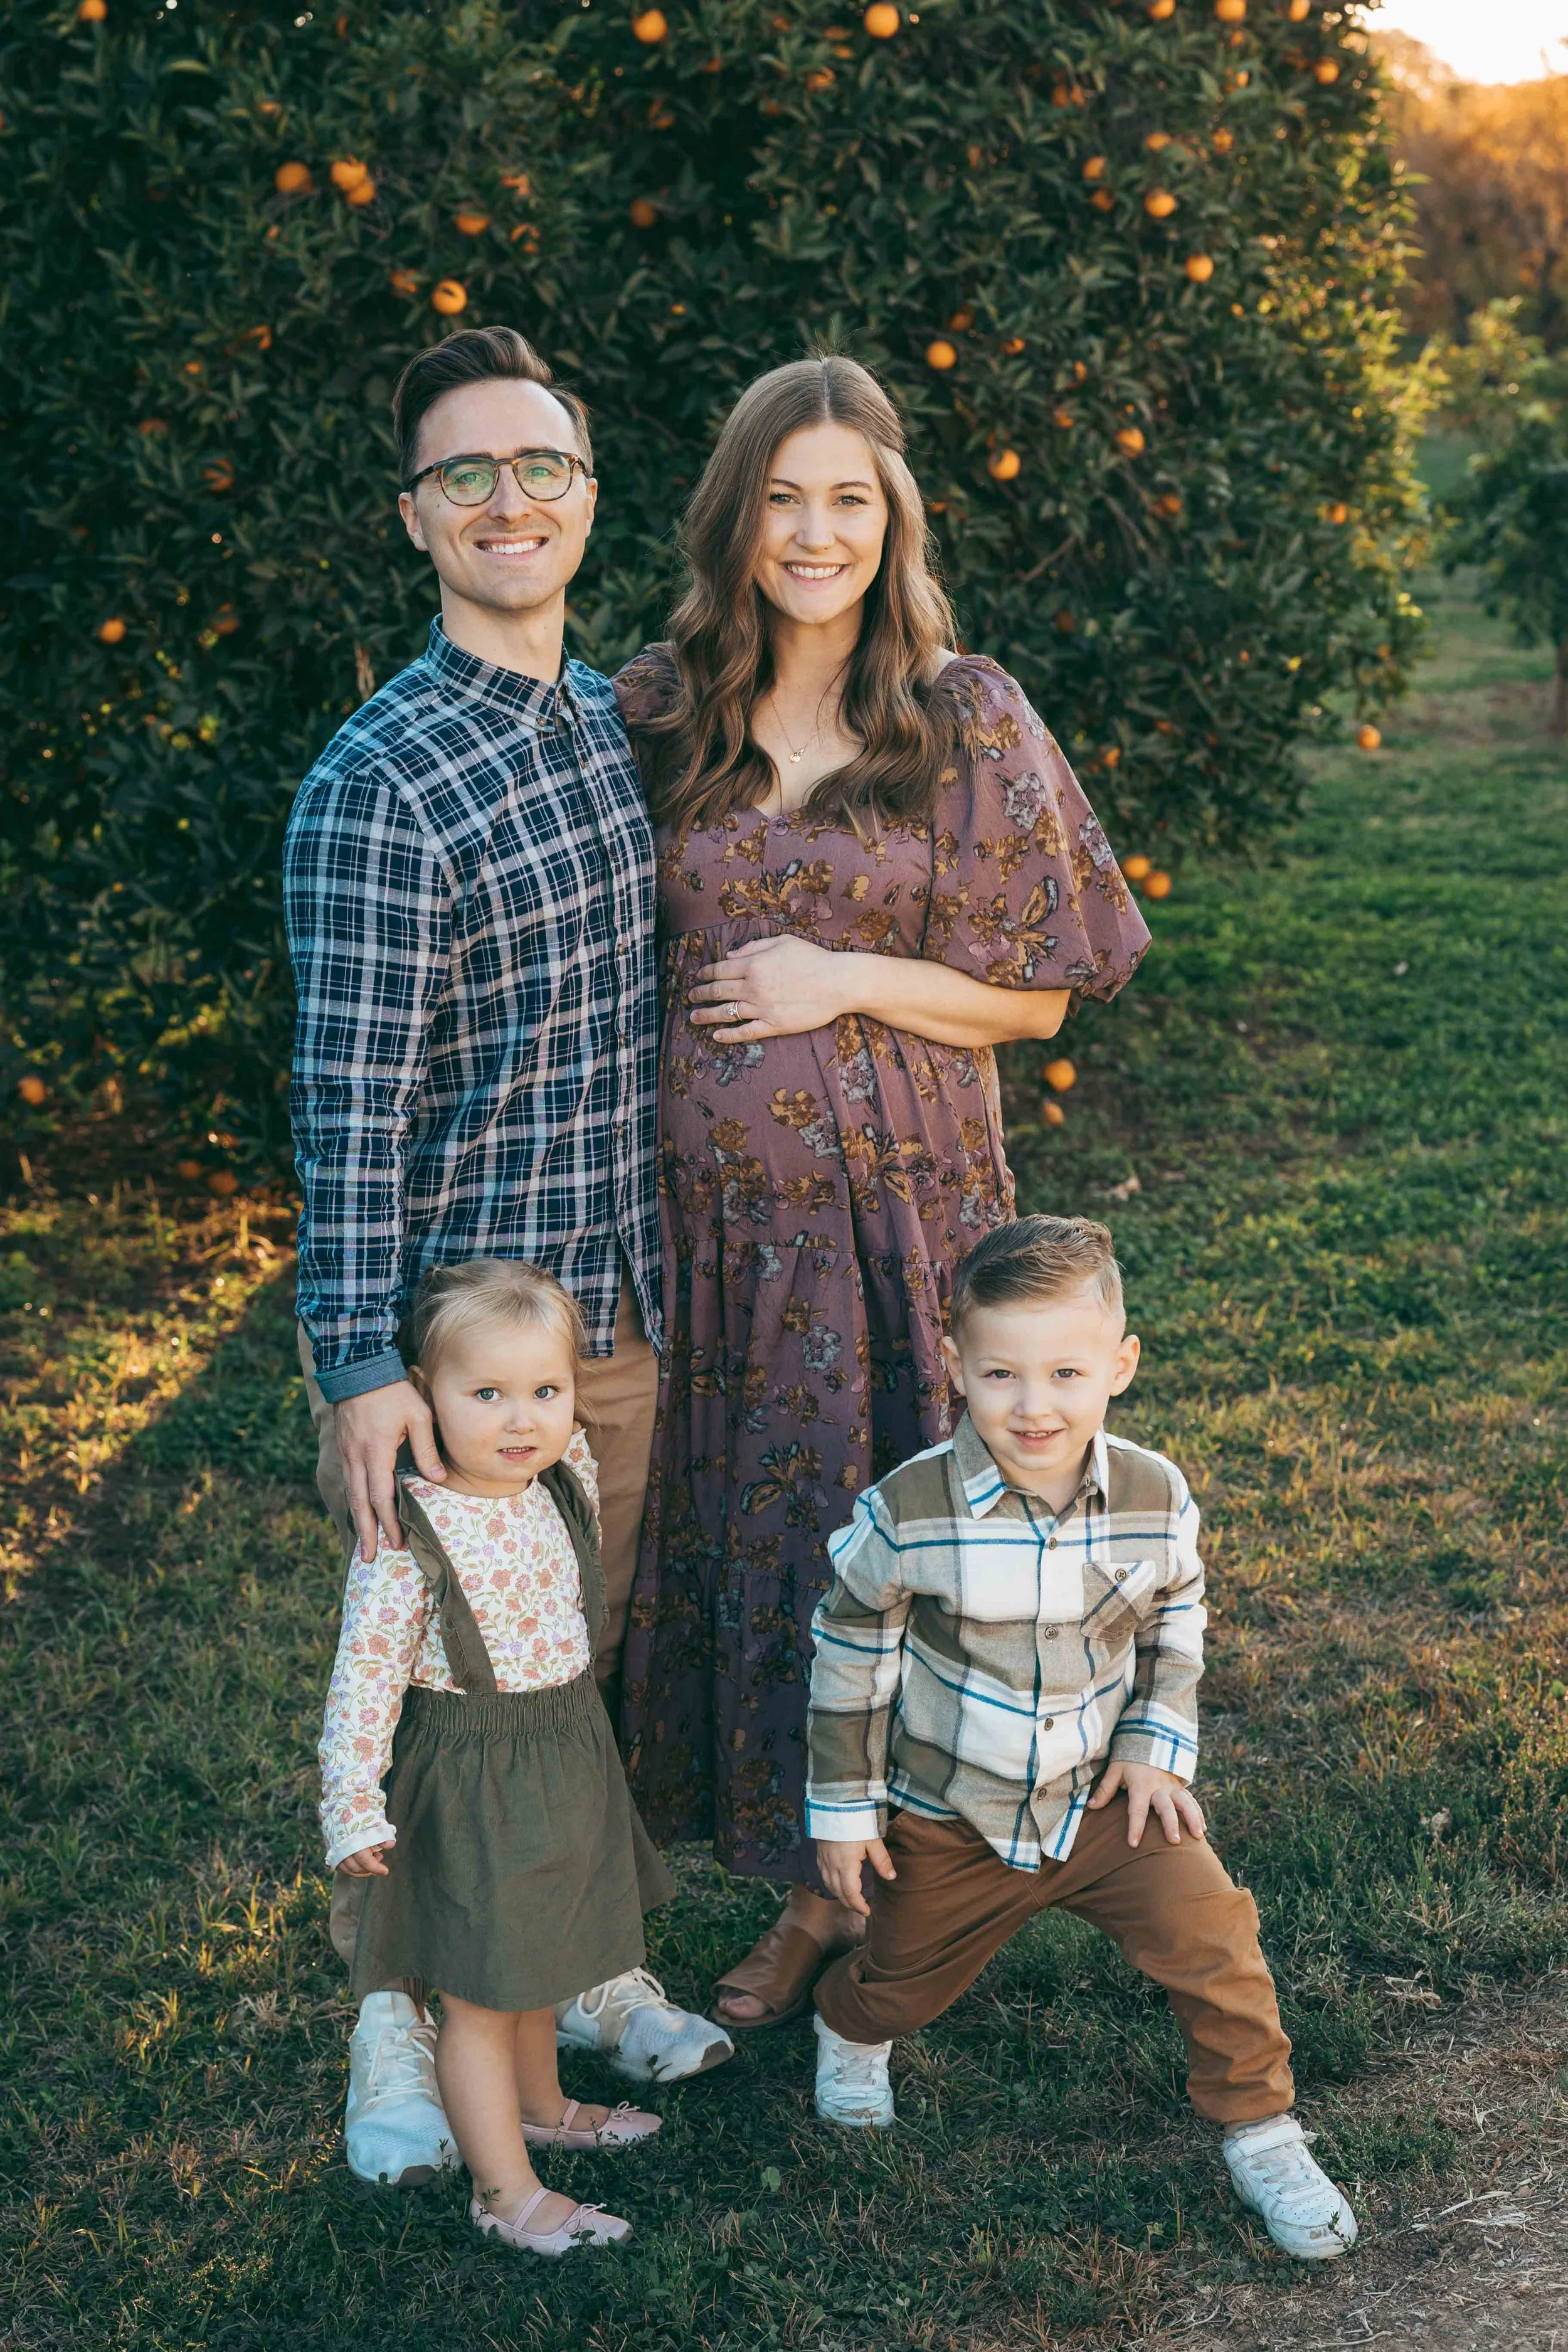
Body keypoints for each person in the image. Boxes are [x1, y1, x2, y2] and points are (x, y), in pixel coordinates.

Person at [613, 356, 1150, 2031]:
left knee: (886, 1536)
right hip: (709, 1231)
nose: (814, 532)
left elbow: (1042, 993)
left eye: (848, 498)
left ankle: (853, 1898)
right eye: (781, 497)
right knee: (754, 1540)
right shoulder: (657, 709)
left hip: (903, 1212)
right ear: (733, 518)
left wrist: (835, 975)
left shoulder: (959, 711)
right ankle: (778, 1864)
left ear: (892, 517)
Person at [284, 326, 729, 2190]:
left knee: (562, 1674)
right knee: (430, 1709)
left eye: (538, 464)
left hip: (609, 1317)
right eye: (462, 473)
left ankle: (573, 1965)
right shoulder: (380, 780)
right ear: (415, 518)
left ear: (588, 495)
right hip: (460, 1360)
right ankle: (396, 2030)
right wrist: (356, 1365)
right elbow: (346, 1100)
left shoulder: (617, 726)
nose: (506, 499)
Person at [805, 1216, 1360, 2265]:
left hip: (1107, 1800)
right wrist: (843, 1807)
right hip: (954, 1815)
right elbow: (849, 1654)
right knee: (905, 1978)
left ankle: (1262, 2127)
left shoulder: (1155, 1493)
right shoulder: (908, 1511)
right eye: (1001, 1373)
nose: (1035, 1404)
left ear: (1120, 1364)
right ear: (956, 1364)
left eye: (1066, 1372)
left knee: (1216, 1938)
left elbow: (1176, 1613)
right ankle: (849, 2022)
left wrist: (1153, 1740)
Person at [320, 1259, 674, 2257]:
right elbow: (363, 1678)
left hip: (559, 1752)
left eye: (546, 1390)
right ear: (423, 1396)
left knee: (540, 1960)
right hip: (471, 1779)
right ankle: (505, 2191)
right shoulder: (410, 1534)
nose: (522, 1419)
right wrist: (352, 1804)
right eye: (486, 1394)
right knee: (481, 1992)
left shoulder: (558, 1482)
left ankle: (540, 2105)